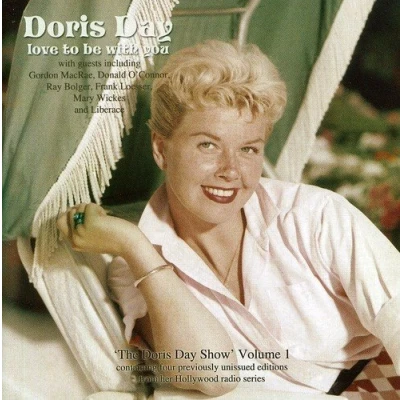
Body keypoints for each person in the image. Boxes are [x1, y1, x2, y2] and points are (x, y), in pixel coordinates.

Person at [57, 40, 400, 396]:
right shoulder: (134, 269)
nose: (231, 171)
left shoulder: (316, 216)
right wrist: (133, 244)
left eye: (248, 149)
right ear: (161, 149)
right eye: (208, 145)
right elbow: (212, 376)